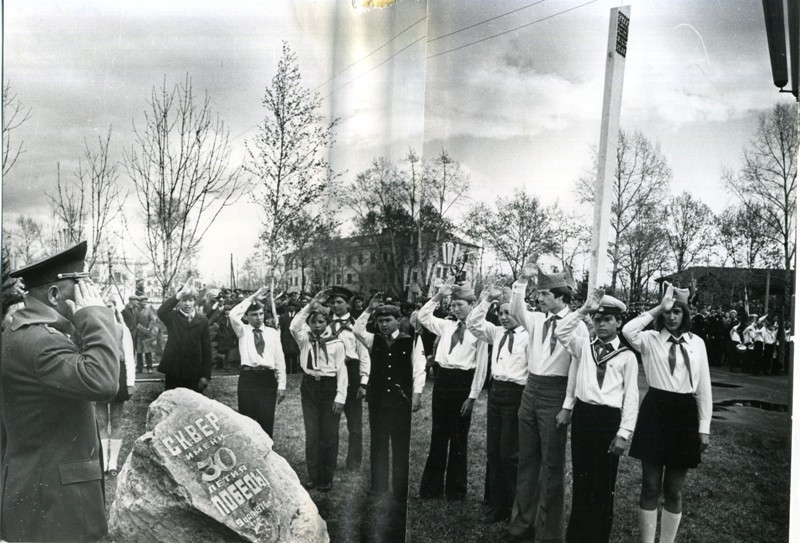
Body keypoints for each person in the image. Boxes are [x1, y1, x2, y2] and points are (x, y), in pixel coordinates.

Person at [1, 241, 120, 542]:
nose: (90, 294)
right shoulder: (42, 342)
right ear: (54, 294)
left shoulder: (22, 332)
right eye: (82, 286)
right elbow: (104, 381)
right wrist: (95, 315)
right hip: (55, 503)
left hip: (38, 490)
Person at [503, 263, 587, 543]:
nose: (539, 299)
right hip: (531, 390)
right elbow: (516, 310)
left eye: (544, 294)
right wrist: (521, 281)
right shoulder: (537, 320)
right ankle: (522, 525)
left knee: (552, 466)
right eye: (538, 294)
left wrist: (567, 405)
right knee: (527, 461)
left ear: (561, 296)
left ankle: (548, 533)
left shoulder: (578, 325)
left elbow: (577, 367)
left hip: (556, 393)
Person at [622, 283, 712, 543]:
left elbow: (703, 387)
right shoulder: (649, 340)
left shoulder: (698, 344)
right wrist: (658, 307)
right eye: (667, 313)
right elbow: (628, 329)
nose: (671, 317)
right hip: (656, 411)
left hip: (684, 415)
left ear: (686, 315)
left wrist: (703, 427)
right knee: (650, 485)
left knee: (674, 488)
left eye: (677, 312)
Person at [555, 289, 639, 543]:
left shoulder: (626, 356)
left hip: (608, 420)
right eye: (597, 319)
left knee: (603, 484)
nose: (601, 324)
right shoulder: (583, 346)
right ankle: (576, 536)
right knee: (582, 480)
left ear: (619, 322)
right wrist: (583, 311)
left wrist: (624, 433)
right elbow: (561, 332)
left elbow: (631, 397)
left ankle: (597, 536)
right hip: (584, 415)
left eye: (608, 320)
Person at [416, 280, 487, 500]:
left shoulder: (479, 329)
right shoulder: (447, 326)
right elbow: (423, 317)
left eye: (460, 305)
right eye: (453, 305)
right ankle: (431, 488)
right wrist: (438, 296)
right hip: (443, 380)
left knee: (458, 438)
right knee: (438, 435)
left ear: (472, 305)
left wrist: (472, 397)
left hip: (463, 383)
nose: (455, 309)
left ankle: (456, 491)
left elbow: (481, 367)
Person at [466, 284, 529, 524]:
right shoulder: (497, 333)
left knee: (509, 453)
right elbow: (473, 324)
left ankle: (514, 506)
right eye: (500, 313)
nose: (503, 317)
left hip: (517, 393)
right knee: (493, 451)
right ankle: (497, 503)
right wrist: (486, 300)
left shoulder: (528, 335)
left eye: (508, 313)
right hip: (496, 392)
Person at [353, 293, 426, 501]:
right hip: (378, 400)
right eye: (380, 321)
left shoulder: (410, 341)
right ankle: (379, 486)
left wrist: (417, 394)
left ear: (398, 321)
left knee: (400, 443)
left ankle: (399, 489)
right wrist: (368, 310)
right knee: (378, 441)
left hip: (400, 401)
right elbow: (357, 329)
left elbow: (419, 370)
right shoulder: (372, 339)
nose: (384, 324)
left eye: (388, 320)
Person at [290, 289, 348, 492]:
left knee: (329, 433)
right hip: (310, 387)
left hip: (329, 387)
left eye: (321, 322)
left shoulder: (337, 344)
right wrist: (311, 305)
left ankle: (326, 477)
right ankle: (313, 476)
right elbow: (293, 325)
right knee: (312, 432)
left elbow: (342, 371)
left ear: (327, 323)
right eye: (313, 322)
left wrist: (340, 397)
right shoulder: (304, 338)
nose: (316, 326)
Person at [230, 286, 286, 437]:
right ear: (247, 317)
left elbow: (279, 359)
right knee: (247, 421)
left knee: (266, 420)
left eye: (261, 314)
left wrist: (282, 384)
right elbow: (233, 314)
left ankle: (267, 455)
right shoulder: (243, 331)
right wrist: (251, 299)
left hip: (267, 379)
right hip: (248, 378)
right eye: (254, 315)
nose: (258, 318)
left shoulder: (272, 333)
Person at [327, 286, 371, 470]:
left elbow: (364, 355)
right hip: (331, 374)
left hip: (352, 372)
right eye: (333, 302)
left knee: (354, 424)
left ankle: (353, 462)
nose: (336, 306)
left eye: (340, 302)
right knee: (330, 422)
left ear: (348, 304)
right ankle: (329, 461)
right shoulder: (324, 325)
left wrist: (363, 382)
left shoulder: (357, 326)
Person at [95, 293, 137, 477]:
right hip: (100, 375)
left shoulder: (122, 329)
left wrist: (130, 383)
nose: (108, 308)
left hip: (117, 375)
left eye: (110, 306)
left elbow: (129, 357)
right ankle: (103, 463)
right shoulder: (95, 328)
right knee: (101, 420)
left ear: (115, 308)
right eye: (104, 305)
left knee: (116, 420)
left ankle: (113, 464)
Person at [157, 278, 213, 393]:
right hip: (174, 370)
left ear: (195, 301)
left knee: (193, 405)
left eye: (191, 300)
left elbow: (206, 349)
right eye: (184, 300)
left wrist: (205, 375)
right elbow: (161, 311)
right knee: (173, 404)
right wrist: (179, 295)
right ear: (179, 301)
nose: (188, 304)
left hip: (194, 371)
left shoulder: (202, 321)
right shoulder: (172, 317)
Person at [136, 297, 157, 374]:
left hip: (146, 334)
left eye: (145, 302)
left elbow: (154, 320)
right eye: (143, 302)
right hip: (138, 334)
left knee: (148, 352)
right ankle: (139, 368)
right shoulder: (136, 310)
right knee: (139, 352)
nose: (144, 303)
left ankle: (150, 367)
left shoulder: (149, 310)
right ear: (139, 302)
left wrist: (149, 329)